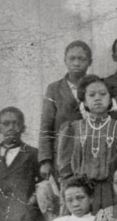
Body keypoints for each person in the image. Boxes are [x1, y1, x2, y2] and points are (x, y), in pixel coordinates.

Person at [56, 75, 117, 214]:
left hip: (111, 194)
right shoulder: (73, 129)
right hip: (81, 195)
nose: (97, 98)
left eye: (103, 94)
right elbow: (65, 170)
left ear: (111, 99)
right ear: (85, 102)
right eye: (91, 95)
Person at [38, 41, 92, 185]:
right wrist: (46, 160)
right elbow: (46, 125)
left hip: (91, 152)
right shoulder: (54, 89)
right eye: (72, 58)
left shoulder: (97, 86)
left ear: (89, 62)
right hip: (62, 155)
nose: (76, 63)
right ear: (65, 61)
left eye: (82, 59)